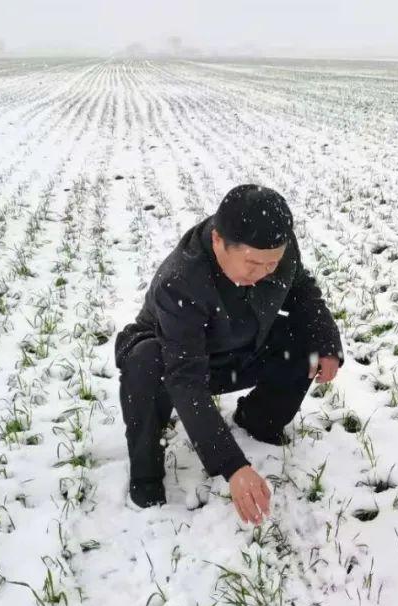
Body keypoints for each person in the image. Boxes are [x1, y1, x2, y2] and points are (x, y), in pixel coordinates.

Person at [115, 185, 342, 523]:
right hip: (178, 361)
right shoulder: (180, 280)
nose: (265, 272)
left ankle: (258, 419)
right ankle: (146, 474)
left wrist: (327, 343)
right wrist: (233, 467)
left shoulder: (276, 249)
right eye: (253, 264)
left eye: (272, 264)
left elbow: (301, 291)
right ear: (219, 241)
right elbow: (186, 378)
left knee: (307, 342)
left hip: (242, 346)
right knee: (144, 360)